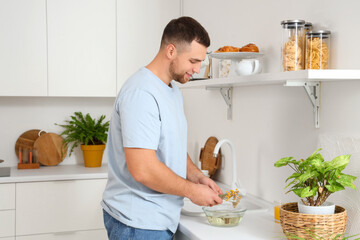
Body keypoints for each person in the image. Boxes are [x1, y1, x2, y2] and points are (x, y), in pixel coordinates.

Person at [101, 16, 223, 240]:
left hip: (156, 218)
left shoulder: (171, 90)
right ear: (171, 51)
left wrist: (197, 177)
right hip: (136, 223)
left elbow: (171, 146)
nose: (197, 69)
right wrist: (192, 191)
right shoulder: (141, 93)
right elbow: (143, 169)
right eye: (193, 61)